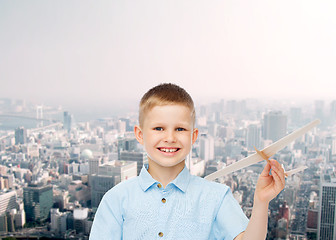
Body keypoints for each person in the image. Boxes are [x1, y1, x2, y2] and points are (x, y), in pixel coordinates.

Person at [90, 83, 286, 240]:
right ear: (140, 135)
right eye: (158, 128)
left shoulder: (216, 197)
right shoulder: (116, 200)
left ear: (193, 136)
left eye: (180, 129)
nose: (169, 138)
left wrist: (261, 202)